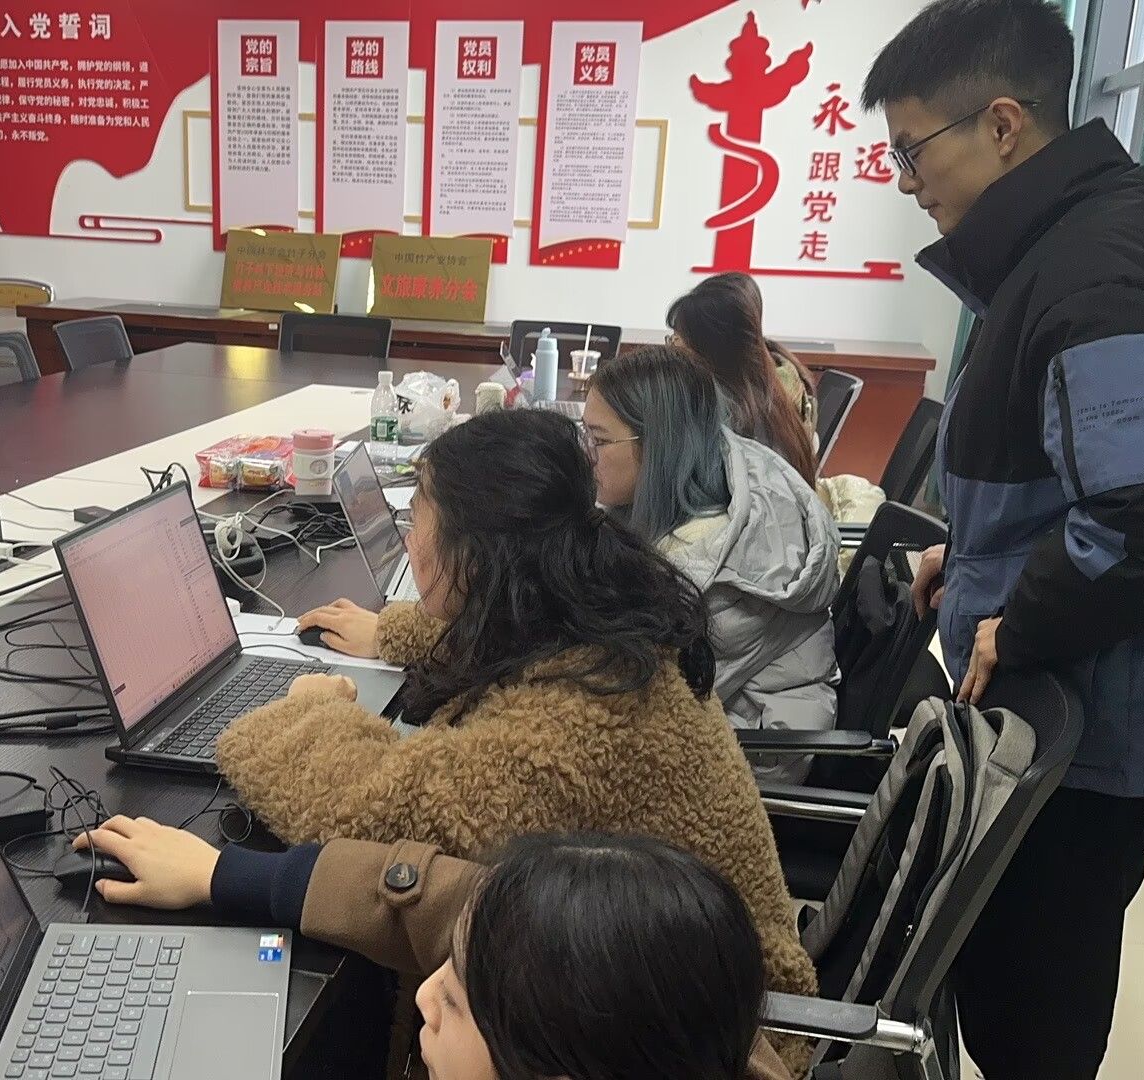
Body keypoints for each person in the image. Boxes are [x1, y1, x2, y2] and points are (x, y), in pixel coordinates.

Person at [861, 2, 1144, 1077]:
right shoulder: (1072, 238)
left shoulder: (1094, 274)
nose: (907, 182)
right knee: (1017, 973)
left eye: (912, 151)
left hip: (1107, 713)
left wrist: (1022, 617)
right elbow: (1079, 469)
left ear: (1003, 125)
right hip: (1102, 686)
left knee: (1032, 1002)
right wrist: (970, 556)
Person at [217, 408, 818, 1030]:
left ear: (477, 557)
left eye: (417, 518)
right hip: (668, 980)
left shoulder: (569, 731)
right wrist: (392, 632)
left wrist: (310, 707)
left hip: (707, 1035)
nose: (409, 539)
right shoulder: (598, 618)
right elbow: (508, 627)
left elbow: (359, 812)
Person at [73, 820, 792, 1080]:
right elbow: (452, 898)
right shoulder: (676, 1008)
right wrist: (223, 874)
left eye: (455, 997)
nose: (425, 993)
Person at [583, 346, 839, 782]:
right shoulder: (716, 466)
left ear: (656, 445)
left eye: (599, 440)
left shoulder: (709, 567)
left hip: (750, 760)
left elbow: (635, 699)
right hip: (720, 724)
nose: (587, 454)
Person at [666, 271, 820, 479]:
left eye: (678, 341)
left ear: (711, 349)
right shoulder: (778, 373)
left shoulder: (732, 419)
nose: (673, 352)